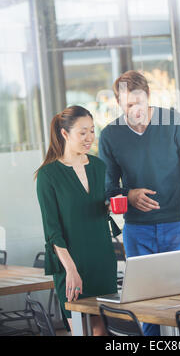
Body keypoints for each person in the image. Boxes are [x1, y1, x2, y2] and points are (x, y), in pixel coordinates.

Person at [99, 70, 180, 336]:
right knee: (146, 306)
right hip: (138, 231)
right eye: (128, 105)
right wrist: (128, 195)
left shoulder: (174, 123)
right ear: (119, 103)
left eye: (140, 102)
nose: (135, 110)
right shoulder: (110, 136)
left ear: (148, 96)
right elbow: (107, 189)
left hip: (179, 226)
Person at [35, 105, 118, 336]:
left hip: (103, 263)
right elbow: (52, 231)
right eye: (82, 132)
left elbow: (96, 208)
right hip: (72, 267)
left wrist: (109, 205)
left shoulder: (99, 167)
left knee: (103, 333)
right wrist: (70, 269)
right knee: (81, 331)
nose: (89, 137)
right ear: (65, 133)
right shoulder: (48, 175)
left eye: (92, 131)